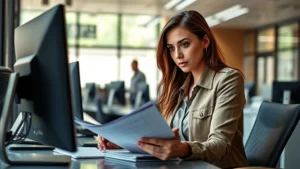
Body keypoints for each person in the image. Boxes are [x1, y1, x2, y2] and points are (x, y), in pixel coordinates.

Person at [98, 10, 248, 168]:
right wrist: (124, 142)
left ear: (205, 41)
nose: (177, 55)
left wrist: (182, 149)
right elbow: (160, 137)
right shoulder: (175, 86)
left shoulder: (228, 79)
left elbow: (220, 146)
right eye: (171, 48)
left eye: (184, 44)